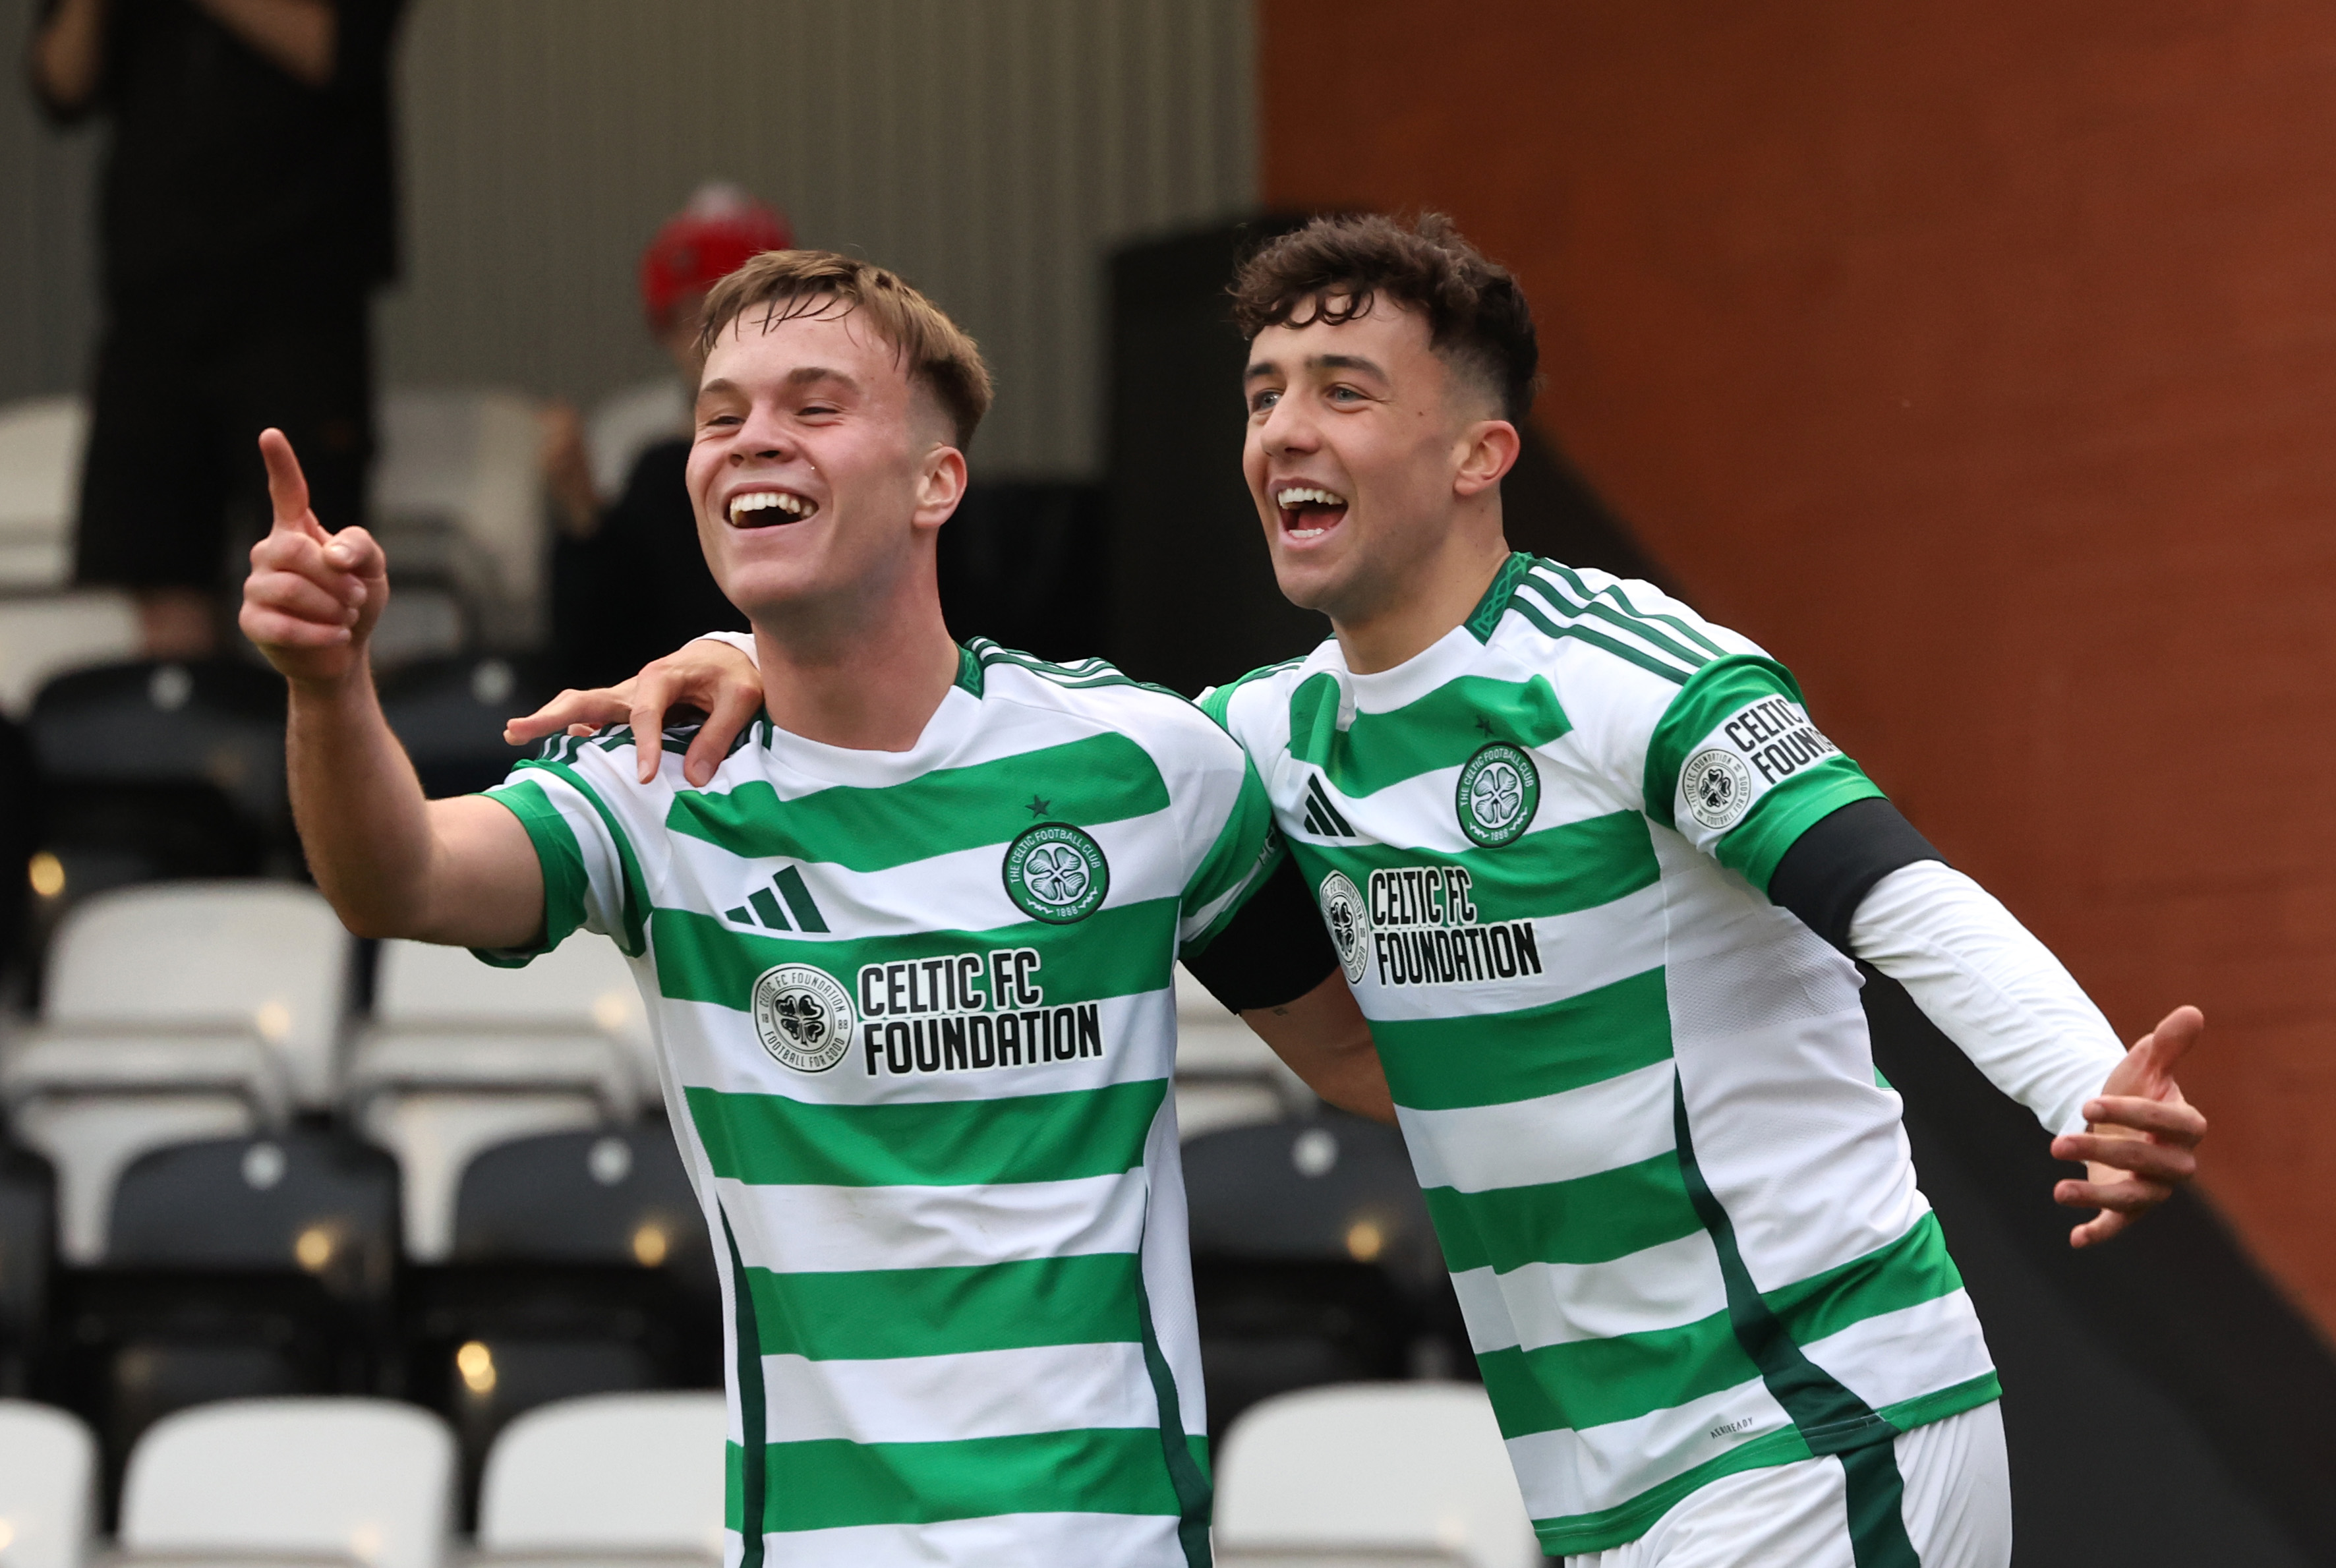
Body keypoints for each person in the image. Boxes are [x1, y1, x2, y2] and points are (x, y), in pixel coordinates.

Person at [553, 215, 2209, 1568]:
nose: (1284, 428)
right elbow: (1007, 740)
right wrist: (755, 649)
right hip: (1595, 1463)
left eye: (1344, 388)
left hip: (1809, 1400)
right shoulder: (1252, 738)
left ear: (1480, 450)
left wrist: (2079, 1080)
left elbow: (1894, 890)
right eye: (1265, 390)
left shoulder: (1625, 676)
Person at [241, 248, 1382, 1567]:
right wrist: (327, 687)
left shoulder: (1142, 765)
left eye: (813, 404)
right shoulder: (655, 785)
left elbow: (1357, 1051)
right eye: (719, 414)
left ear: (933, 482)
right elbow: (400, 880)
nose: (749, 440)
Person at [31, 0, 405, 657]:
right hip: (153, 294)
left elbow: (337, 50)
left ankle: (317, 746)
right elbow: (59, 88)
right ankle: (186, 748)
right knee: (158, 568)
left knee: (314, 572)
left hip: (298, 291)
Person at [542, 185, 788, 689]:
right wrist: (583, 515)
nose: (703, 340)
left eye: (728, 313)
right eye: (685, 318)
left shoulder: (843, 439)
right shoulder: (647, 455)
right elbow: (597, 660)